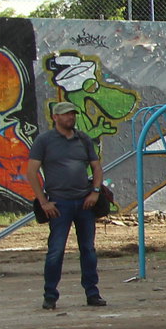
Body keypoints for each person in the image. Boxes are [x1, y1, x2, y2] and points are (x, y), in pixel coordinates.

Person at [32, 100, 106, 311]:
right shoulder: (44, 141)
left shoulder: (83, 139)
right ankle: (50, 296)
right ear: (55, 117)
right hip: (59, 203)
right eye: (65, 115)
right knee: (56, 250)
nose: (70, 118)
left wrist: (95, 192)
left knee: (88, 250)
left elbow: (97, 168)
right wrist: (43, 202)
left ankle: (92, 293)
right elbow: (31, 172)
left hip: (84, 202)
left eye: (72, 114)